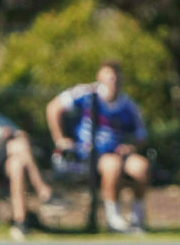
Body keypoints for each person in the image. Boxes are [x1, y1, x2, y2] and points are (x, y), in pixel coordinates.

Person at [46, 61, 150, 233]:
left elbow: (141, 136)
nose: (113, 80)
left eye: (116, 76)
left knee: (141, 167)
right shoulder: (86, 94)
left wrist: (130, 147)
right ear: (99, 77)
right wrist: (60, 139)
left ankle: (136, 219)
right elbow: (53, 107)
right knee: (112, 165)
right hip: (88, 154)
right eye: (109, 76)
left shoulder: (128, 106)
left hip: (118, 152)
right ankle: (113, 219)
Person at [0, 85, 56, 240]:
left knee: (18, 163)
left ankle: (20, 221)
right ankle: (42, 188)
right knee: (17, 146)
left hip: (2, 161)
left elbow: (23, 136)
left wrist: (10, 134)